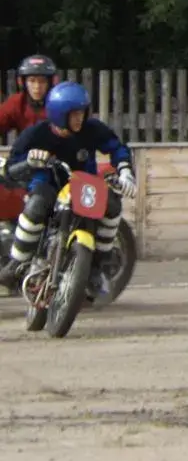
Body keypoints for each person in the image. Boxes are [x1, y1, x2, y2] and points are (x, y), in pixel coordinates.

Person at [0, 81, 138, 297]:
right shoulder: (36, 134)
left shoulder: (92, 129)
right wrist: (30, 162)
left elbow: (117, 147)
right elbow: (11, 168)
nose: (79, 118)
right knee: (36, 205)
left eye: (82, 112)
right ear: (57, 114)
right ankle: (16, 263)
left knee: (112, 204)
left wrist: (126, 172)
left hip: (84, 185)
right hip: (47, 184)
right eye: (73, 114)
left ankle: (99, 265)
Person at [0, 55, 59, 222]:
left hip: (57, 165)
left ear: (50, 82)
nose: (37, 87)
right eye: (32, 81)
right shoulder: (17, 103)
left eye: (42, 81)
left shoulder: (58, 103)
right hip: (26, 165)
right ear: (23, 82)